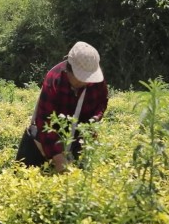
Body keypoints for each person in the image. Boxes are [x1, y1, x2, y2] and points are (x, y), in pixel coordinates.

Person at [16, 41, 108, 172]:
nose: (85, 81)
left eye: (88, 77)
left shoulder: (97, 83)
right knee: (24, 179)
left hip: (78, 141)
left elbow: (100, 106)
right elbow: (44, 121)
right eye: (80, 77)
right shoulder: (54, 79)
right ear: (68, 69)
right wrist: (58, 158)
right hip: (45, 141)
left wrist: (90, 125)